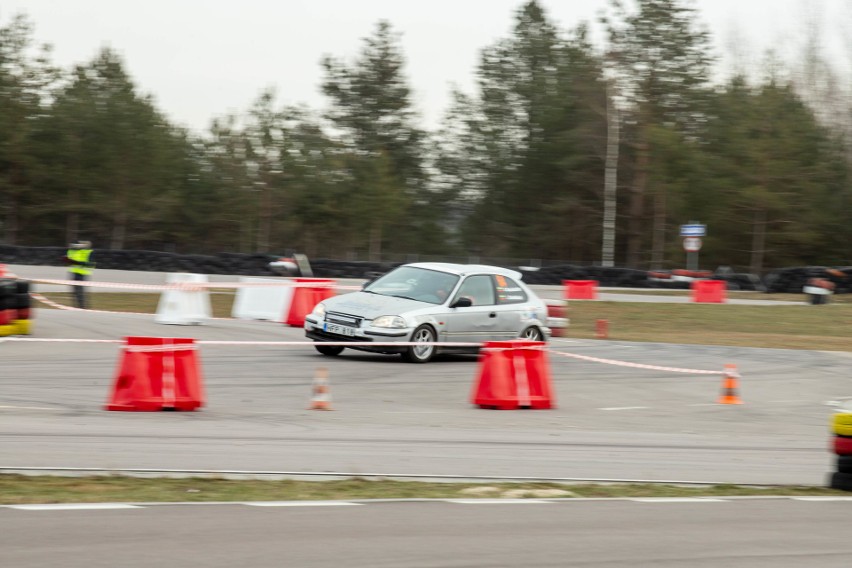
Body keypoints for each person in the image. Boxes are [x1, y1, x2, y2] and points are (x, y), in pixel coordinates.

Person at [65, 240, 94, 309]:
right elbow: (68, 260)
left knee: (80, 291)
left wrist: (79, 263)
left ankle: (83, 307)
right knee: (74, 291)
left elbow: (90, 264)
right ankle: (76, 306)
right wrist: (68, 260)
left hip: (82, 273)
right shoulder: (72, 251)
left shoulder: (88, 252)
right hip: (74, 272)